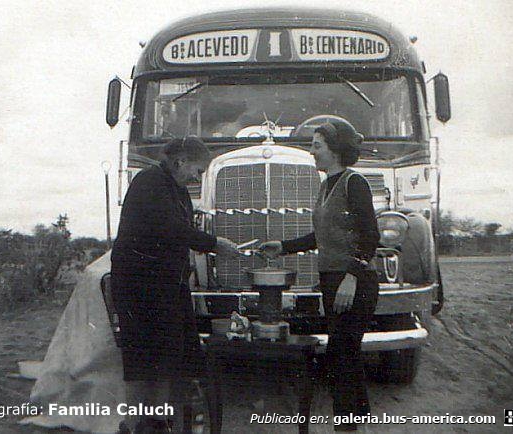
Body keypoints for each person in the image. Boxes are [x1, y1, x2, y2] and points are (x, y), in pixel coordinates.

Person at [110, 136, 238, 433]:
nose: (199, 177)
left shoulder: (178, 190)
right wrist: (215, 244)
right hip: (139, 286)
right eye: (198, 169)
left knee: (170, 356)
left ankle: (159, 421)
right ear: (180, 162)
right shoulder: (149, 181)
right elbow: (171, 229)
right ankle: (132, 425)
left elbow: (182, 232)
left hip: (168, 285)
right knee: (142, 358)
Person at [259, 121, 380, 432]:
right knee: (345, 352)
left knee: (342, 353)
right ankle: (357, 423)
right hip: (333, 279)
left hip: (354, 281)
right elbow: (322, 235)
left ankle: (346, 426)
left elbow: (370, 236)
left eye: (316, 145)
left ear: (335, 149)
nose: (311, 152)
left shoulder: (355, 183)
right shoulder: (327, 184)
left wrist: (351, 278)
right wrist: (283, 247)